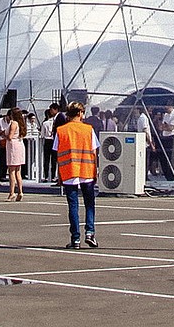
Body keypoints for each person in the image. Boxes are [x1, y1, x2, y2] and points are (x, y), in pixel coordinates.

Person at [53, 101, 98, 249]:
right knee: (89, 203)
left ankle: (75, 238)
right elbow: (94, 151)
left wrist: (59, 174)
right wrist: (95, 169)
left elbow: (58, 153)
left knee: (73, 205)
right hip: (86, 169)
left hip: (69, 170)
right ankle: (90, 232)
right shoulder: (88, 129)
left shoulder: (61, 130)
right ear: (80, 113)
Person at [5, 107, 27, 201]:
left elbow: (10, 136)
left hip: (13, 146)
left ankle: (12, 192)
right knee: (18, 171)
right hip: (19, 144)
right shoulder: (21, 123)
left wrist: (3, 135)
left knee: (11, 171)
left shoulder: (13, 123)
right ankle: (20, 191)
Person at [158, 102, 174, 180]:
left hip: (171, 137)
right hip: (164, 137)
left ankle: (171, 176)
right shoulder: (166, 115)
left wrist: (166, 126)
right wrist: (165, 126)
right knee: (162, 158)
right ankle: (167, 175)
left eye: (167, 106)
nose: (165, 108)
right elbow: (161, 127)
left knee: (168, 158)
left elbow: (171, 128)